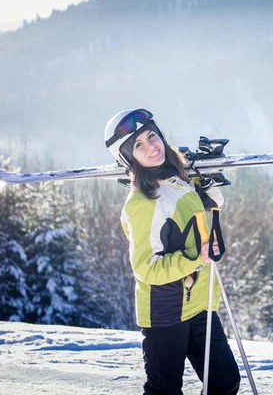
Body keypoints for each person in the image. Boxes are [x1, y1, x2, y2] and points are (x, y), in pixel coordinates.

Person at [104, 108, 240, 395]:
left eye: (152, 136)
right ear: (130, 159)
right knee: (164, 391)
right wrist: (195, 257)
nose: (151, 147)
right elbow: (146, 268)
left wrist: (207, 185)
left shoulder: (175, 181)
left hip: (199, 302)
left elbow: (197, 217)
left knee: (225, 382)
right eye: (138, 145)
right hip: (165, 311)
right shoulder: (141, 203)